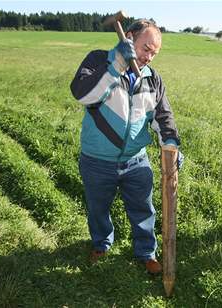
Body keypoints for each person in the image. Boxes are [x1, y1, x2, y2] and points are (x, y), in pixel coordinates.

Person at [70, 19, 182, 274]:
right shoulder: (99, 60)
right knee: (98, 208)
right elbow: (84, 95)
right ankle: (101, 243)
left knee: (143, 209)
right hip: (97, 160)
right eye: (146, 48)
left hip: (136, 161)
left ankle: (146, 252)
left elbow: (163, 117)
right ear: (129, 37)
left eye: (155, 53)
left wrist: (171, 146)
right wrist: (118, 63)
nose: (150, 57)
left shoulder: (152, 79)